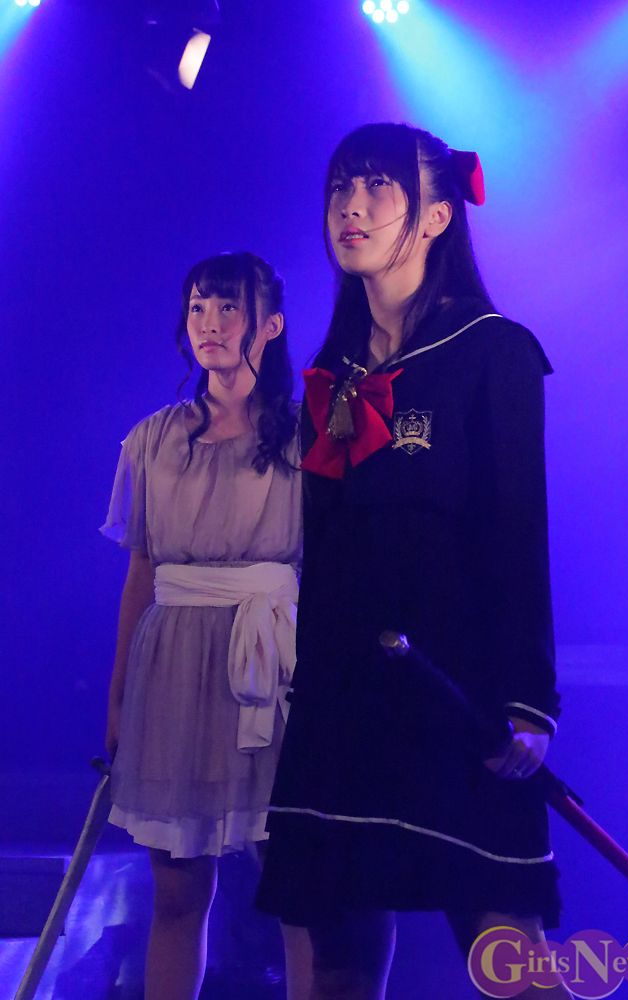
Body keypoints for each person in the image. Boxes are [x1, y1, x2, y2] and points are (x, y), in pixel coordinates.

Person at [256, 123, 571, 999]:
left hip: (456, 695)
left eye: (377, 187)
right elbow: (324, 550)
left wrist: (527, 700)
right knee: (338, 961)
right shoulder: (332, 373)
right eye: (339, 187)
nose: (350, 207)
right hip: (342, 703)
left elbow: (519, 534)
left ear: (435, 216)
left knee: (507, 951)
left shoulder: (493, 352)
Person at [101, 252, 310, 1000]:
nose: (210, 324)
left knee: (296, 885)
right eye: (198, 307)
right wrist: (118, 698)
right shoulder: (153, 439)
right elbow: (141, 574)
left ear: (269, 325)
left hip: (270, 661)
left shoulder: (304, 435)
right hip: (173, 668)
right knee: (177, 889)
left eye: (228, 308)